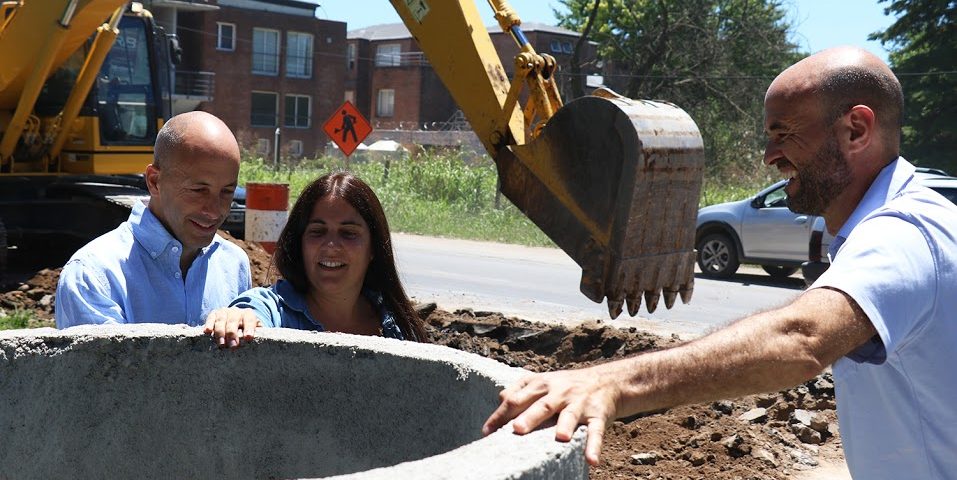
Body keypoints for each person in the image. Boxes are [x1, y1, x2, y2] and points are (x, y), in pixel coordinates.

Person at [482, 46, 957, 479]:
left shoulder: (906, 233)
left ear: (855, 129)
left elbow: (801, 337)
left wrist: (611, 382)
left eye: (784, 134)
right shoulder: (887, 224)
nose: (771, 156)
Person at [56, 111, 251, 327]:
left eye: (226, 192)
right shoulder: (93, 275)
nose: (214, 211)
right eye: (198, 190)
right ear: (154, 181)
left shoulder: (234, 266)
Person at [203, 172, 427, 348]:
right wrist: (238, 319)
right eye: (317, 231)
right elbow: (250, 314)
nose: (331, 246)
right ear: (299, 243)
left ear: (373, 249)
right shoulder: (273, 311)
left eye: (348, 233)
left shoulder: (396, 325)